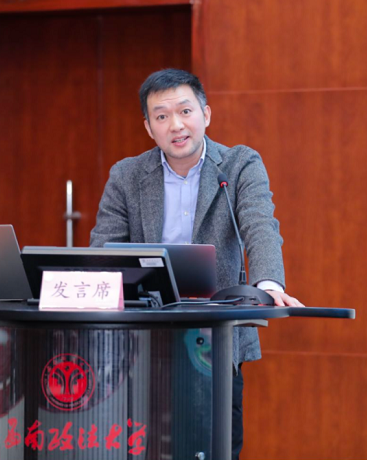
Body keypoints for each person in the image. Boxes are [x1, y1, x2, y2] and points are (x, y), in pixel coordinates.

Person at [89, 68, 303, 459]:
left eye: (185, 111)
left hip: (216, 339)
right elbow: (104, 250)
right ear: (149, 127)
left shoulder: (239, 165)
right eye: (162, 116)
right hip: (141, 340)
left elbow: (260, 225)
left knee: (215, 446)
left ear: (206, 114)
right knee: (142, 448)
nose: (176, 125)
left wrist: (268, 284)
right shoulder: (127, 175)